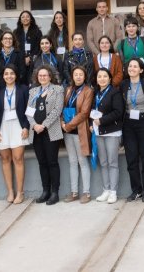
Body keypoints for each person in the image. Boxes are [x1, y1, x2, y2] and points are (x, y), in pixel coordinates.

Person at [121, 58, 144, 203]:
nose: (132, 68)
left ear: (141, 70)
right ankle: (136, 190)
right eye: (130, 66)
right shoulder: (123, 84)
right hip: (129, 123)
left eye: (135, 66)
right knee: (131, 159)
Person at [27, 65, 64, 205]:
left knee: (52, 162)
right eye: (40, 75)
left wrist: (44, 125)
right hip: (36, 132)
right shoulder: (33, 91)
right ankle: (45, 191)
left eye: (45, 75)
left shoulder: (58, 89)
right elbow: (28, 111)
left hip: (50, 130)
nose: (42, 77)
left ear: (50, 76)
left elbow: (57, 110)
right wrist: (34, 125)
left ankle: (55, 192)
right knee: (42, 162)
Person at [0, 66, 30, 204]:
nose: (9, 76)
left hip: (18, 125)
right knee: (5, 159)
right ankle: (10, 191)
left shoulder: (24, 89)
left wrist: (26, 126)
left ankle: (20, 192)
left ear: (16, 75)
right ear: (3, 76)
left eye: (12, 73)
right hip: (2, 126)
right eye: (6, 74)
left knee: (18, 158)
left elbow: (29, 108)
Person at [61, 65, 94, 204]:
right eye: (76, 74)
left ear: (84, 76)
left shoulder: (88, 91)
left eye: (81, 74)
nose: (78, 77)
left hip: (79, 130)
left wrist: (68, 126)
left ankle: (86, 192)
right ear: (72, 76)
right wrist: (62, 122)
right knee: (72, 162)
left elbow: (85, 113)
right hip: (68, 132)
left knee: (82, 162)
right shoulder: (68, 90)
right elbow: (62, 108)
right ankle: (74, 192)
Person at [91, 68, 123, 204]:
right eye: (99, 76)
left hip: (112, 132)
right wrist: (91, 123)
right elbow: (92, 111)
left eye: (105, 76)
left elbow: (118, 111)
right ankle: (106, 190)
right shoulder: (96, 93)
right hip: (98, 131)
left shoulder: (115, 92)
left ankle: (113, 192)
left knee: (112, 162)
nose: (102, 79)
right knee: (103, 162)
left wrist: (102, 121)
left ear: (110, 79)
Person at [13, 10, 42, 75]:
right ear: (20, 20)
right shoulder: (15, 32)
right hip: (20, 60)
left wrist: (30, 57)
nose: (25, 18)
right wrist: (23, 58)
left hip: (34, 60)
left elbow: (39, 46)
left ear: (31, 19)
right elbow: (15, 47)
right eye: (23, 17)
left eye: (27, 17)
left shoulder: (37, 31)